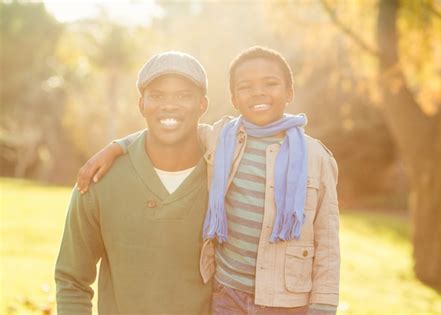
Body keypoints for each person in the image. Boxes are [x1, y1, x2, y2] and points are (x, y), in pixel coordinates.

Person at [78, 46, 340, 315]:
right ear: (234, 99)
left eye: (270, 84)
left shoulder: (316, 157)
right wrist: (117, 146)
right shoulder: (221, 138)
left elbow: (328, 240)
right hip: (227, 293)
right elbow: (171, 127)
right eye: (245, 86)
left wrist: (322, 307)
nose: (258, 92)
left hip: (285, 301)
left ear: (289, 92)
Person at [55, 51, 212, 314]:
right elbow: (72, 279)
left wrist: (120, 144)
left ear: (202, 105)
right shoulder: (100, 179)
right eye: (157, 96)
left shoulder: (226, 175)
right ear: (141, 105)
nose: (169, 105)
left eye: (184, 95)